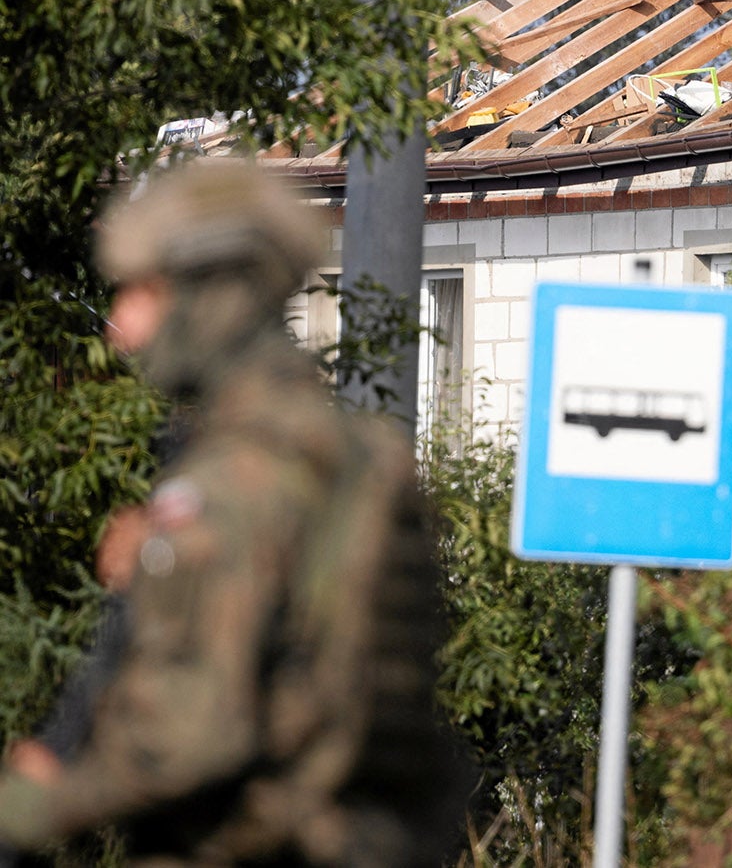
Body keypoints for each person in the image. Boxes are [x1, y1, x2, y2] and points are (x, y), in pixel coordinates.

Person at [0, 157, 468, 867]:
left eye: (144, 293)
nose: (122, 327)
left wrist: (33, 807)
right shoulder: (363, 454)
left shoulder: (231, 484)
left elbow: (190, 739)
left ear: (211, 296)